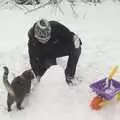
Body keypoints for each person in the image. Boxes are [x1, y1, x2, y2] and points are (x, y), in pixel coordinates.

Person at [28, 18, 82, 85]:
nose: (44, 41)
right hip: (46, 56)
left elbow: (70, 36)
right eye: (41, 40)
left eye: (46, 39)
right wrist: (38, 75)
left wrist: (76, 41)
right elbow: (33, 60)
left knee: (76, 48)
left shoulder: (56, 26)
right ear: (36, 36)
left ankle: (69, 75)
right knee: (53, 74)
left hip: (57, 48)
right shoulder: (33, 41)